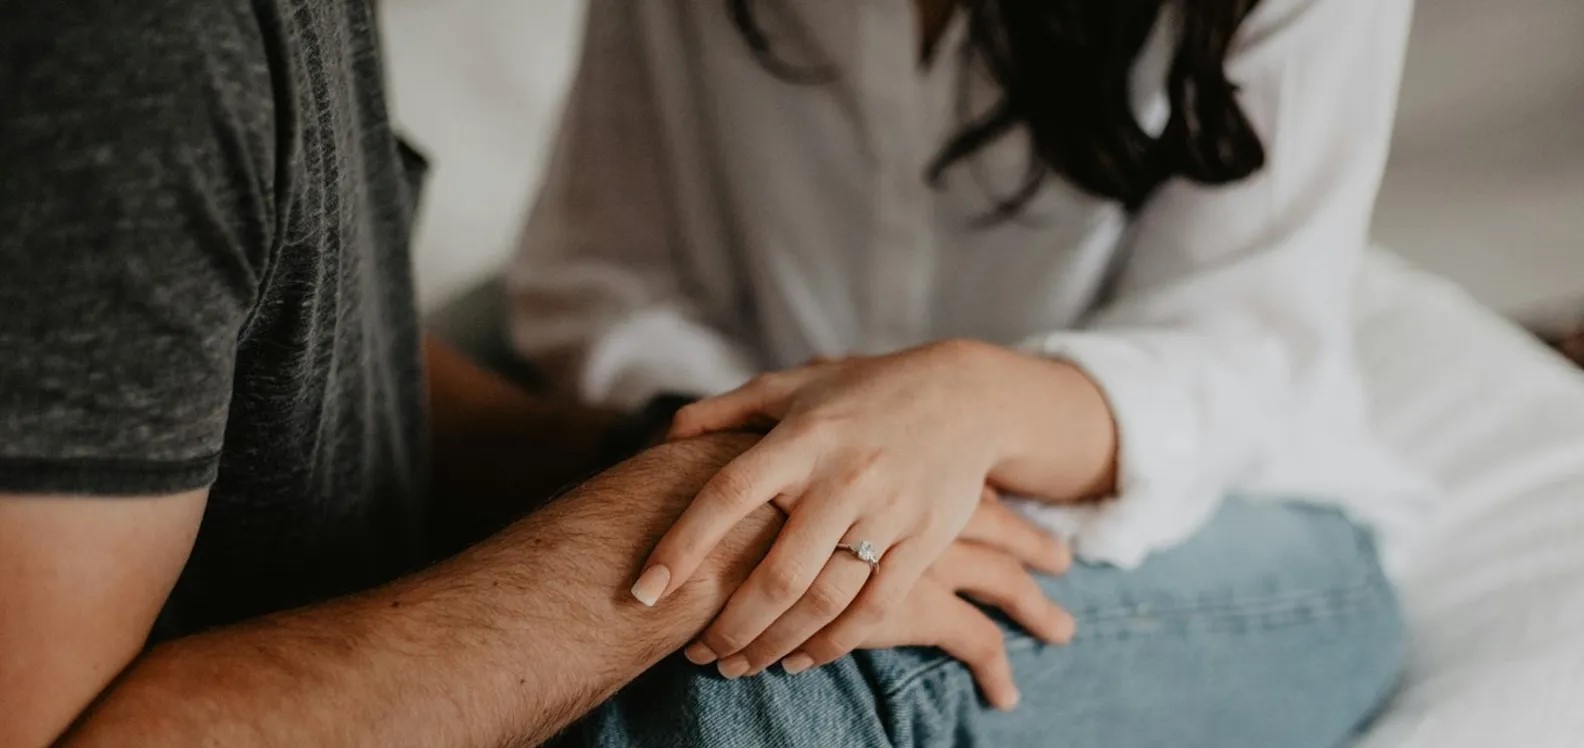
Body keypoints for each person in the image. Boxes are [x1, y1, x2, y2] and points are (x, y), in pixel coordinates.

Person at [0, 2, 1073, 746]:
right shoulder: (126, 45)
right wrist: (680, 525)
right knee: (790, 661)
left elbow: (246, 352)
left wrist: (659, 452)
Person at [510, 0, 1421, 743]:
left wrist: (965, 406)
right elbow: (607, 272)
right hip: (751, 427)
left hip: (1218, 500)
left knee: (777, 665)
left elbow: (1248, 348)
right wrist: (798, 465)